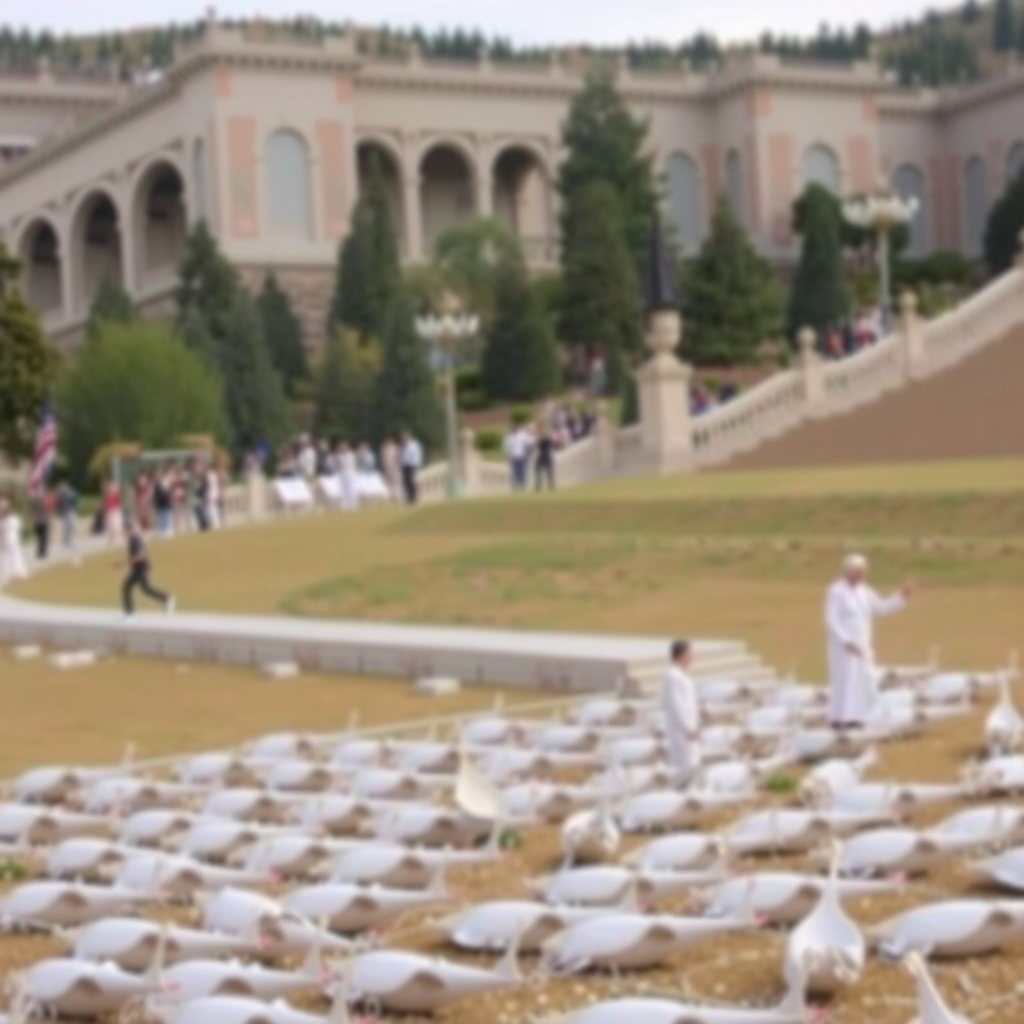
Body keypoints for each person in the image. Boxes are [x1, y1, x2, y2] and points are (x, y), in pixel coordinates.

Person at [824, 553, 913, 730]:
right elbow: (831, 619)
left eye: (863, 572)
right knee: (845, 681)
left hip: (862, 645)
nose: (862, 576)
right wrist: (846, 641)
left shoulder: (865, 591)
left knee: (864, 681)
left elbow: (882, 607)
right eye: (858, 572)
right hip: (844, 648)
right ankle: (839, 719)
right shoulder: (836, 591)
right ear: (849, 572)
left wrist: (901, 596)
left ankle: (857, 717)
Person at [660, 639, 701, 785]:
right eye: (690, 653)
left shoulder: (682, 676)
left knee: (692, 763)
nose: (692, 657)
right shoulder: (672, 676)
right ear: (682, 654)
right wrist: (688, 728)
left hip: (689, 728)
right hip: (681, 730)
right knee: (683, 765)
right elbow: (676, 704)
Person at [119, 522, 174, 619]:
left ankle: (167, 598)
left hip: (142, 569)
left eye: (124, 530)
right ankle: (129, 613)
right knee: (126, 587)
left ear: (129, 530)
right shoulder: (132, 539)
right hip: (136, 569)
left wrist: (124, 563)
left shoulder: (135, 539)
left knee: (146, 589)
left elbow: (141, 556)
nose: (123, 533)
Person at [399, 431, 423, 505]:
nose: (403, 439)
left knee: (411, 481)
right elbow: (402, 455)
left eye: (405, 437)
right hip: (405, 465)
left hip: (412, 464)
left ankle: (413, 497)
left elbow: (416, 455)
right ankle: (408, 497)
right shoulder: (403, 446)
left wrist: (417, 464)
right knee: (405, 482)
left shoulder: (413, 445)